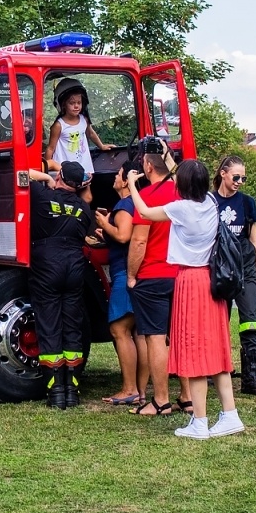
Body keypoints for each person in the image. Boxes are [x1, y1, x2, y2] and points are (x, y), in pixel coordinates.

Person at [131, 158, 243, 439]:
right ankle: (230, 414)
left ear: (180, 183)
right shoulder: (210, 202)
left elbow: (144, 210)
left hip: (190, 281)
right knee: (215, 349)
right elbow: (189, 175)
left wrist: (133, 184)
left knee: (193, 351)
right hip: (211, 281)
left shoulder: (179, 209)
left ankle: (200, 421)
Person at [23, 160, 96, 409]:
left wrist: (45, 176)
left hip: (46, 264)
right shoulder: (84, 209)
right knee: (72, 327)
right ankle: (72, 392)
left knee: (49, 325)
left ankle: (56, 394)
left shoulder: (42, 195)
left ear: (60, 176)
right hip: (75, 266)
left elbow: (20, 174)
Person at [126, 137, 188, 418]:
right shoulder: (184, 195)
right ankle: (187, 397)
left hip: (152, 275)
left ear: (148, 166)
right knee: (179, 338)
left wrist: (130, 275)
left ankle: (161, 400)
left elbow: (139, 242)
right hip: (182, 275)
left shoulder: (148, 198)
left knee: (155, 338)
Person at [212, 156, 256, 395]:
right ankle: (214, 370)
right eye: (236, 177)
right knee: (217, 322)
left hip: (245, 267)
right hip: (220, 269)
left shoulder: (247, 203)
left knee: (250, 319)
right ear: (223, 174)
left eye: (243, 178)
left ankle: (251, 376)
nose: (239, 182)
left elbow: (253, 240)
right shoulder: (209, 201)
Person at [94, 160, 145, 405]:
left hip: (124, 273)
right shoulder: (138, 203)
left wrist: (104, 224)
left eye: (118, 174)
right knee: (137, 333)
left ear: (126, 181)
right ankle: (140, 389)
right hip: (137, 272)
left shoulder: (124, 205)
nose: (114, 177)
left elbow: (124, 236)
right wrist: (107, 232)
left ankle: (129, 389)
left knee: (119, 330)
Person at [46, 81, 109, 177]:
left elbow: (90, 133)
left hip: (84, 166)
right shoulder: (59, 125)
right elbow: (51, 148)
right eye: (72, 103)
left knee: (85, 189)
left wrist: (102, 146)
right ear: (64, 104)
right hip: (64, 169)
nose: (76, 106)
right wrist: (46, 168)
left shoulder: (84, 120)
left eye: (79, 102)